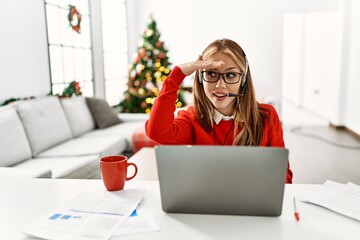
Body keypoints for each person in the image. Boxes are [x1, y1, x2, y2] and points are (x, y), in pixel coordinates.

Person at [145, 38, 293, 183]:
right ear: (201, 78)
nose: (220, 85)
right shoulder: (191, 118)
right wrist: (178, 75)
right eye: (211, 74)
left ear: (243, 80)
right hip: (206, 204)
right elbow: (156, 131)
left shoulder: (266, 116)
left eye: (230, 75)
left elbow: (283, 176)